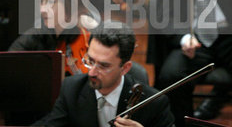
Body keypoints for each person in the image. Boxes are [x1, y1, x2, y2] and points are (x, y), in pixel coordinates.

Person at [34, 21, 174, 127]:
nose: (92, 72)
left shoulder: (155, 103)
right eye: (90, 60)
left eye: (104, 65)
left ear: (125, 68)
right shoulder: (71, 89)